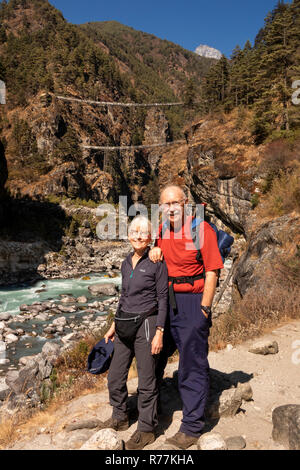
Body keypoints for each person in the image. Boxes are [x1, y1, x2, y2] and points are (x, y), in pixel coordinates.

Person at [150, 185, 224, 449]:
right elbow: (156, 259)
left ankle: (192, 426)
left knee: (192, 362)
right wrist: (152, 251)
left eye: (175, 203)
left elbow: (213, 271)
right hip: (165, 301)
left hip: (193, 300)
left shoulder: (200, 229)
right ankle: (151, 413)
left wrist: (204, 308)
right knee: (154, 356)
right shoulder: (161, 231)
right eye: (165, 204)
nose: (170, 208)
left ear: (185, 204)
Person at [103, 215, 168, 450]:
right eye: (134, 232)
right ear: (128, 235)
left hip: (147, 325)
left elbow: (163, 299)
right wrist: (113, 324)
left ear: (150, 237)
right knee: (114, 377)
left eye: (143, 232)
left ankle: (146, 429)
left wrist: (160, 331)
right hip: (123, 325)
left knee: (147, 380)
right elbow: (124, 296)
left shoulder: (157, 262)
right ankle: (120, 417)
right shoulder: (125, 262)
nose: (138, 236)